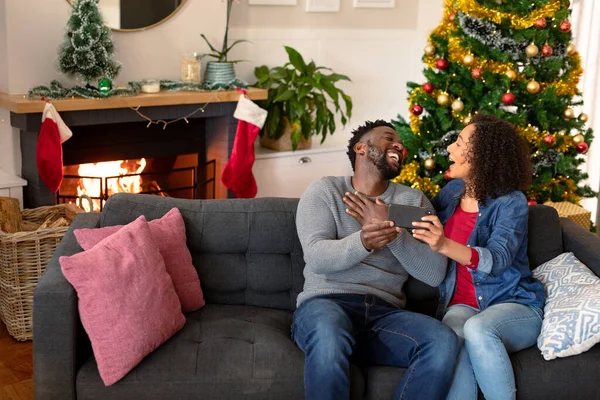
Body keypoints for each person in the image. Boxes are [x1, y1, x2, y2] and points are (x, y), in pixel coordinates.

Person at [292, 119, 459, 400]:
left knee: (442, 340)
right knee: (330, 335)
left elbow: (434, 274)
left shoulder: (412, 202)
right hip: (326, 306)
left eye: (401, 144)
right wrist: (364, 241)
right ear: (361, 148)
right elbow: (317, 256)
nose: (398, 145)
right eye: (388, 138)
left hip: (385, 314)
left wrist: (392, 234)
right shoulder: (326, 191)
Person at [409, 114, 545, 400]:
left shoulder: (511, 202)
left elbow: (497, 259)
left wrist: (443, 244)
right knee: (451, 339)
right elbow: (421, 219)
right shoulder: (453, 192)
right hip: (461, 305)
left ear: (481, 156)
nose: (450, 150)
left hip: (514, 303)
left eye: (458, 143)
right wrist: (385, 214)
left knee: (478, 328)